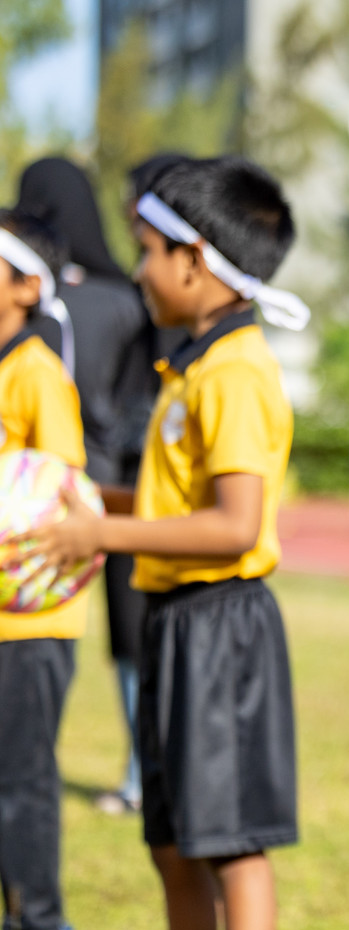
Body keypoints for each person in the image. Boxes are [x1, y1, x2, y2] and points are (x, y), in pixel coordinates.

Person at [21, 155, 310, 930]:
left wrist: (100, 533)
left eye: (147, 250)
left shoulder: (235, 376)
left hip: (225, 629)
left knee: (231, 848)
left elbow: (232, 525)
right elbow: (166, 503)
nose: (137, 268)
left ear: (195, 261)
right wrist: (67, 498)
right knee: (173, 843)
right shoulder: (189, 368)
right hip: (173, 625)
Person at [16, 156, 158, 815]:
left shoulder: (31, 300)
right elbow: (142, 399)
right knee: (130, 639)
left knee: (41, 630)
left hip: (30, 495)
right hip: (110, 484)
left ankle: (28, 753)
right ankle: (140, 772)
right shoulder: (129, 297)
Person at [0, 210, 90, 930]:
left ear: (28, 286)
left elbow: (60, 490)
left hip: (30, 623)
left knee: (22, 781)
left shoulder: (35, 373)